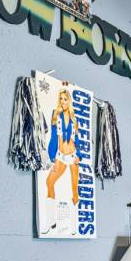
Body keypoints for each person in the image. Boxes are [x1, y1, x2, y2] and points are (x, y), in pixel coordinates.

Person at [42, 89, 79, 233]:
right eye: (61, 99)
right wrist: (52, 158)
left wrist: (79, 155)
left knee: (74, 190)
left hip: (73, 156)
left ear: (69, 100)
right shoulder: (55, 114)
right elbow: (53, 138)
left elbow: (77, 139)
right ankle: (50, 221)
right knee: (49, 182)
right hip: (61, 156)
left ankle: (74, 225)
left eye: (65, 99)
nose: (63, 101)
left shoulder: (74, 118)